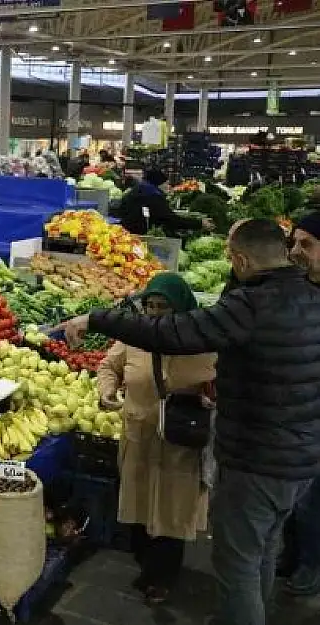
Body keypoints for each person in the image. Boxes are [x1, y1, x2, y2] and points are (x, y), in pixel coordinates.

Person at [61, 218, 320, 625]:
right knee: (263, 551)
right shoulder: (311, 296)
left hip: (256, 458)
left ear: (239, 259)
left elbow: (175, 333)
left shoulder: (250, 306)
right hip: (301, 457)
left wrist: (96, 319)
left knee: (237, 566)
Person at [95, 272, 216, 604]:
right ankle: (144, 562)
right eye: (150, 306)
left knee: (172, 513)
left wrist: (213, 398)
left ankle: (162, 578)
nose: (155, 313)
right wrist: (107, 391)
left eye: (164, 307)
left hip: (180, 447)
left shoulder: (204, 344)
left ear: (181, 307)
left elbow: (227, 384)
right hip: (138, 439)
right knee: (137, 505)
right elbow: (108, 367)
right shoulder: (134, 339)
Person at [284, 212, 320, 596]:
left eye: (307, 245)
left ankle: (311, 563)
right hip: (294, 411)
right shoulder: (297, 288)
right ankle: (292, 555)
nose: (296, 252)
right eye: (294, 243)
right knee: (295, 498)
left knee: (312, 500)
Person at [115, 168, 211, 236]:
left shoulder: (139, 190)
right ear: (159, 184)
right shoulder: (153, 196)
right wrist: (199, 223)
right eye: (166, 183)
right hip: (138, 236)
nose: (168, 186)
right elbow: (171, 220)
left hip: (126, 232)